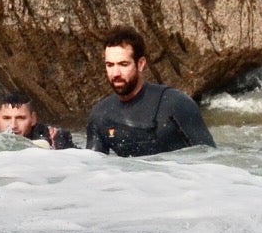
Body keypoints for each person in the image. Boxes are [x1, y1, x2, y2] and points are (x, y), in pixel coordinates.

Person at [85, 27, 214, 156]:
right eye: (110, 65)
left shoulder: (176, 104)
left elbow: (211, 158)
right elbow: (93, 165)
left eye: (123, 64)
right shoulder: (100, 116)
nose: (115, 73)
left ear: (141, 64)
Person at [0, 93, 74, 149]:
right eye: (6, 118)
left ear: (33, 119)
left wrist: (57, 146)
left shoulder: (52, 137)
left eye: (21, 118)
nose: (13, 126)